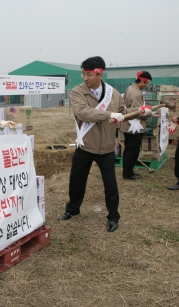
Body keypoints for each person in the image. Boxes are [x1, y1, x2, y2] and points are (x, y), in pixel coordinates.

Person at [58, 56, 125, 232]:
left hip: (107, 147)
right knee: (77, 180)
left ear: (99, 73)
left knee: (110, 184)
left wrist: (141, 113)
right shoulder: (77, 91)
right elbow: (83, 113)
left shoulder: (114, 93)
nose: (85, 78)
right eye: (83, 74)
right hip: (85, 146)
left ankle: (113, 216)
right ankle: (72, 209)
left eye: (89, 74)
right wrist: (109, 115)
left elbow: (122, 112)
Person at [120, 71, 153, 180]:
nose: (146, 86)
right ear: (142, 81)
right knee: (132, 150)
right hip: (134, 126)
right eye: (146, 83)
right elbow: (138, 112)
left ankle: (127, 170)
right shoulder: (136, 93)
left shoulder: (130, 88)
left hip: (128, 125)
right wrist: (148, 113)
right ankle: (128, 173)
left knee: (128, 149)